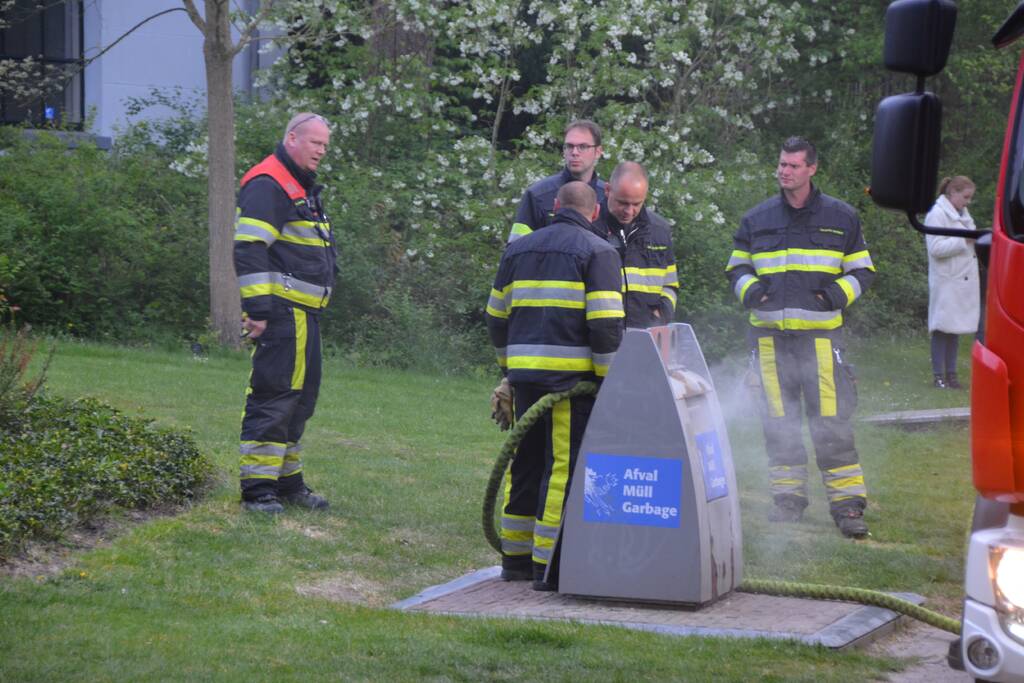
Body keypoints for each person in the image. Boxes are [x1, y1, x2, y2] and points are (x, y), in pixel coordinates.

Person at [725, 137, 876, 538]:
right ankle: (788, 501)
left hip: (822, 345)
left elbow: (863, 271)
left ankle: (848, 508)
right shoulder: (757, 218)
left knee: (832, 425)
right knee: (779, 424)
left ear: (812, 168)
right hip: (770, 343)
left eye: (793, 165)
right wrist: (751, 291)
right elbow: (735, 269)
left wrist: (833, 296)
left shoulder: (841, 216)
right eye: (781, 164)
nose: (784, 171)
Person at [486, 181, 624, 588]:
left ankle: (515, 558)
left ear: (554, 208)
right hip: (570, 384)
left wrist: (509, 370)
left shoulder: (517, 250)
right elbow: (604, 325)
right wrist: (607, 381)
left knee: (524, 463)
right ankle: (550, 566)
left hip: (527, 380)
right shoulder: (599, 252)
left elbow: (496, 316)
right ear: (595, 211)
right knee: (561, 468)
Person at [233, 112, 337, 514]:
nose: (321, 151)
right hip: (283, 311)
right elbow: (249, 246)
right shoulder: (269, 183)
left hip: (303, 313)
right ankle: (258, 489)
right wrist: (258, 309)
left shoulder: (296, 185)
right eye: (315, 143)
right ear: (292, 139)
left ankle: (288, 483)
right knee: (275, 396)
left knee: (300, 400)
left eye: (325, 145)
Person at [592, 161, 679, 328]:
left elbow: (670, 284)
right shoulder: (589, 226)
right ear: (607, 190)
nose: (629, 211)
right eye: (623, 203)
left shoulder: (659, 230)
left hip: (646, 336)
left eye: (636, 204)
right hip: (601, 338)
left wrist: (662, 314)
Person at [507, 120, 606, 244]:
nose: (574, 152)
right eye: (569, 146)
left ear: (598, 152)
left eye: (583, 147)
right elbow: (517, 249)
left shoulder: (609, 197)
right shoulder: (538, 195)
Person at [923, 176, 979, 389]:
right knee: (941, 328)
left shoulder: (963, 214)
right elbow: (936, 248)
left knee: (954, 329)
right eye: (965, 197)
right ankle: (938, 376)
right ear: (953, 192)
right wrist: (964, 240)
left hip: (961, 280)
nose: (968, 202)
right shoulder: (936, 214)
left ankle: (952, 375)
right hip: (946, 279)